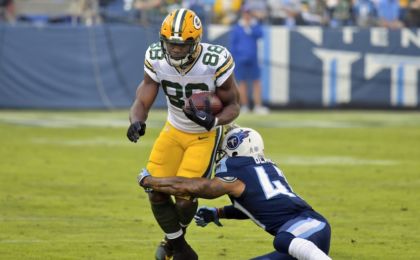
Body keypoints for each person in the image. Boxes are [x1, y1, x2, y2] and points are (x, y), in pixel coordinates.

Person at [126, 8, 240, 260]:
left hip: (203, 136)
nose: (174, 50)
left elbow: (234, 105)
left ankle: (172, 242)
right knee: (155, 190)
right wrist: (136, 120)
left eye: (180, 45)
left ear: (195, 41)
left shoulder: (215, 59)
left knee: (185, 198)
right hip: (173, 130)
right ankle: (179, 247)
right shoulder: (156, 56)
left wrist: (214, 121)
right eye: (170, 44)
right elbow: (144, 94)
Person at [138, 127, 332, 260]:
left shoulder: (236, 168)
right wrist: (219, 213)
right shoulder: (265, 167)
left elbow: (199, 188)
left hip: (302, 231)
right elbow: (256, 207)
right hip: (309, 233)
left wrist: (151, 181)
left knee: (281, 240)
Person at [230, 5, 269, 114]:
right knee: (242, 82)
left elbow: (260, 35)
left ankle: (258, 106)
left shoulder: (255, 25)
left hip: (253, 58)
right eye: (245, 13)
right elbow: (233, 44)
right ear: (243, 14)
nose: (247, 15)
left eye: (249, 13)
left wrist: (250, 27)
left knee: (257, 81)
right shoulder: (237, 27)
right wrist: (234, 58)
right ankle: (245, 106)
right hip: (240, 59)